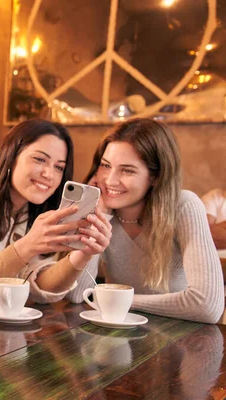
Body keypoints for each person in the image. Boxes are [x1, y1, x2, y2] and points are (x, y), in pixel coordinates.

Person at [0, 119, 112, 304]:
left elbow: (39, 286)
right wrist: (28, 245)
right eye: (40, 159)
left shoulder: (33, 210)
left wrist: (83, 254)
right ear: (11, 155)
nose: (49, 174)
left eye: (59, 167)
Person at [67, 118, 224, 323]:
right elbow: (78, 294)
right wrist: (99, 215)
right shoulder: (103, 212)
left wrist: (121, 300)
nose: (110, 180)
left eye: (127, 170)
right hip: (119, 336)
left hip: (180, 340)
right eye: (105, 165)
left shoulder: (184, 206)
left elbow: (207, 306)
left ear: (156, 176)